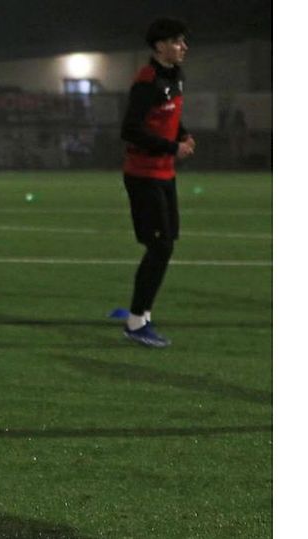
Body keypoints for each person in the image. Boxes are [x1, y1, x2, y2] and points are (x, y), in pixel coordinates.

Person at [120, 18, 195, 347]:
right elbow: (131, 130)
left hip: (165, 174)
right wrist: (171, 147)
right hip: (143, 174)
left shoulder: (174, 76)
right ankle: (136, 322)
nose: (184, 47)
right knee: (160, 246)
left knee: (164, 244)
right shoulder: (147, 80)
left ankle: (142, 315)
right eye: (177, 41)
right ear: (160, 46)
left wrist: (182, 134)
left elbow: (168, 117)